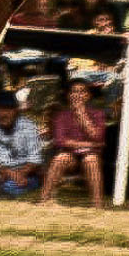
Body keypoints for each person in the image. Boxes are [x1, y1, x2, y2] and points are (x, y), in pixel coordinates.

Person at [40, 79, 107, 207]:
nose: (78, 95)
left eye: (82, 92)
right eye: (74, 92)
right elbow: (61, 141)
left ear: (88, 95)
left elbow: (97, 137)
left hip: (90, 155)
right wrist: (90, 144)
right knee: (60, 158)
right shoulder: (62, 116)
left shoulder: (97, 114)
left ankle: (97, 204)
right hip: (70, 155)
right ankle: (44, 199)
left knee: (91, 160)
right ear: (69, 95)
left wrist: (82, 116)